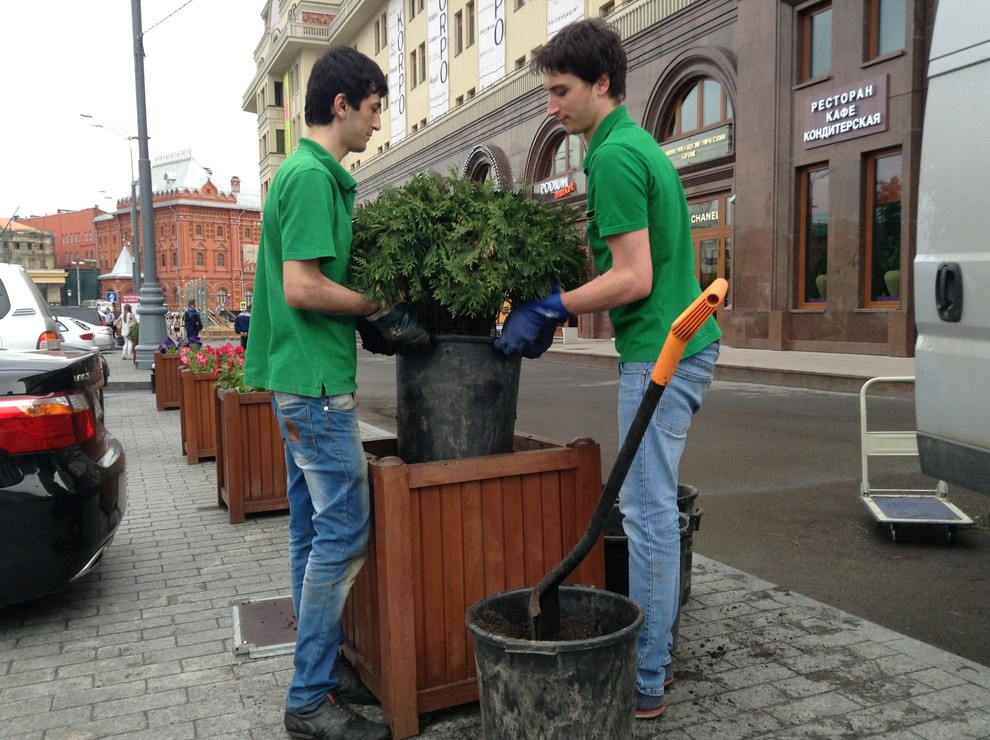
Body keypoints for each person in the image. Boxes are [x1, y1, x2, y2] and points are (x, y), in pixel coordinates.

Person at [495, 19, 722, 720]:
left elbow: (633, 278)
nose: (551, 107)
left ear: (602, 83)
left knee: (647, 516)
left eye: (560, 91)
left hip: (661, 352)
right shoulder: (632, 145)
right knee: (647, 509)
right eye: (546, 92)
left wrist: (553, 306)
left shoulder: (615, 157)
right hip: (673, 345)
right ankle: (655, 659)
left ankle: (647, 678)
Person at [243, 46, 429, 740]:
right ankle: (309, 698)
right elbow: (302, 286)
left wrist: (362, 314)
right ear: (342, 105)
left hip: (298, 380)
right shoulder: (314, 176)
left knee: (309, 532)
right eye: (375, 107)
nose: (379, 123)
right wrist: (376, 307)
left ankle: (320, 669)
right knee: (345, 530)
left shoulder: (302, 174)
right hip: (315, 388)